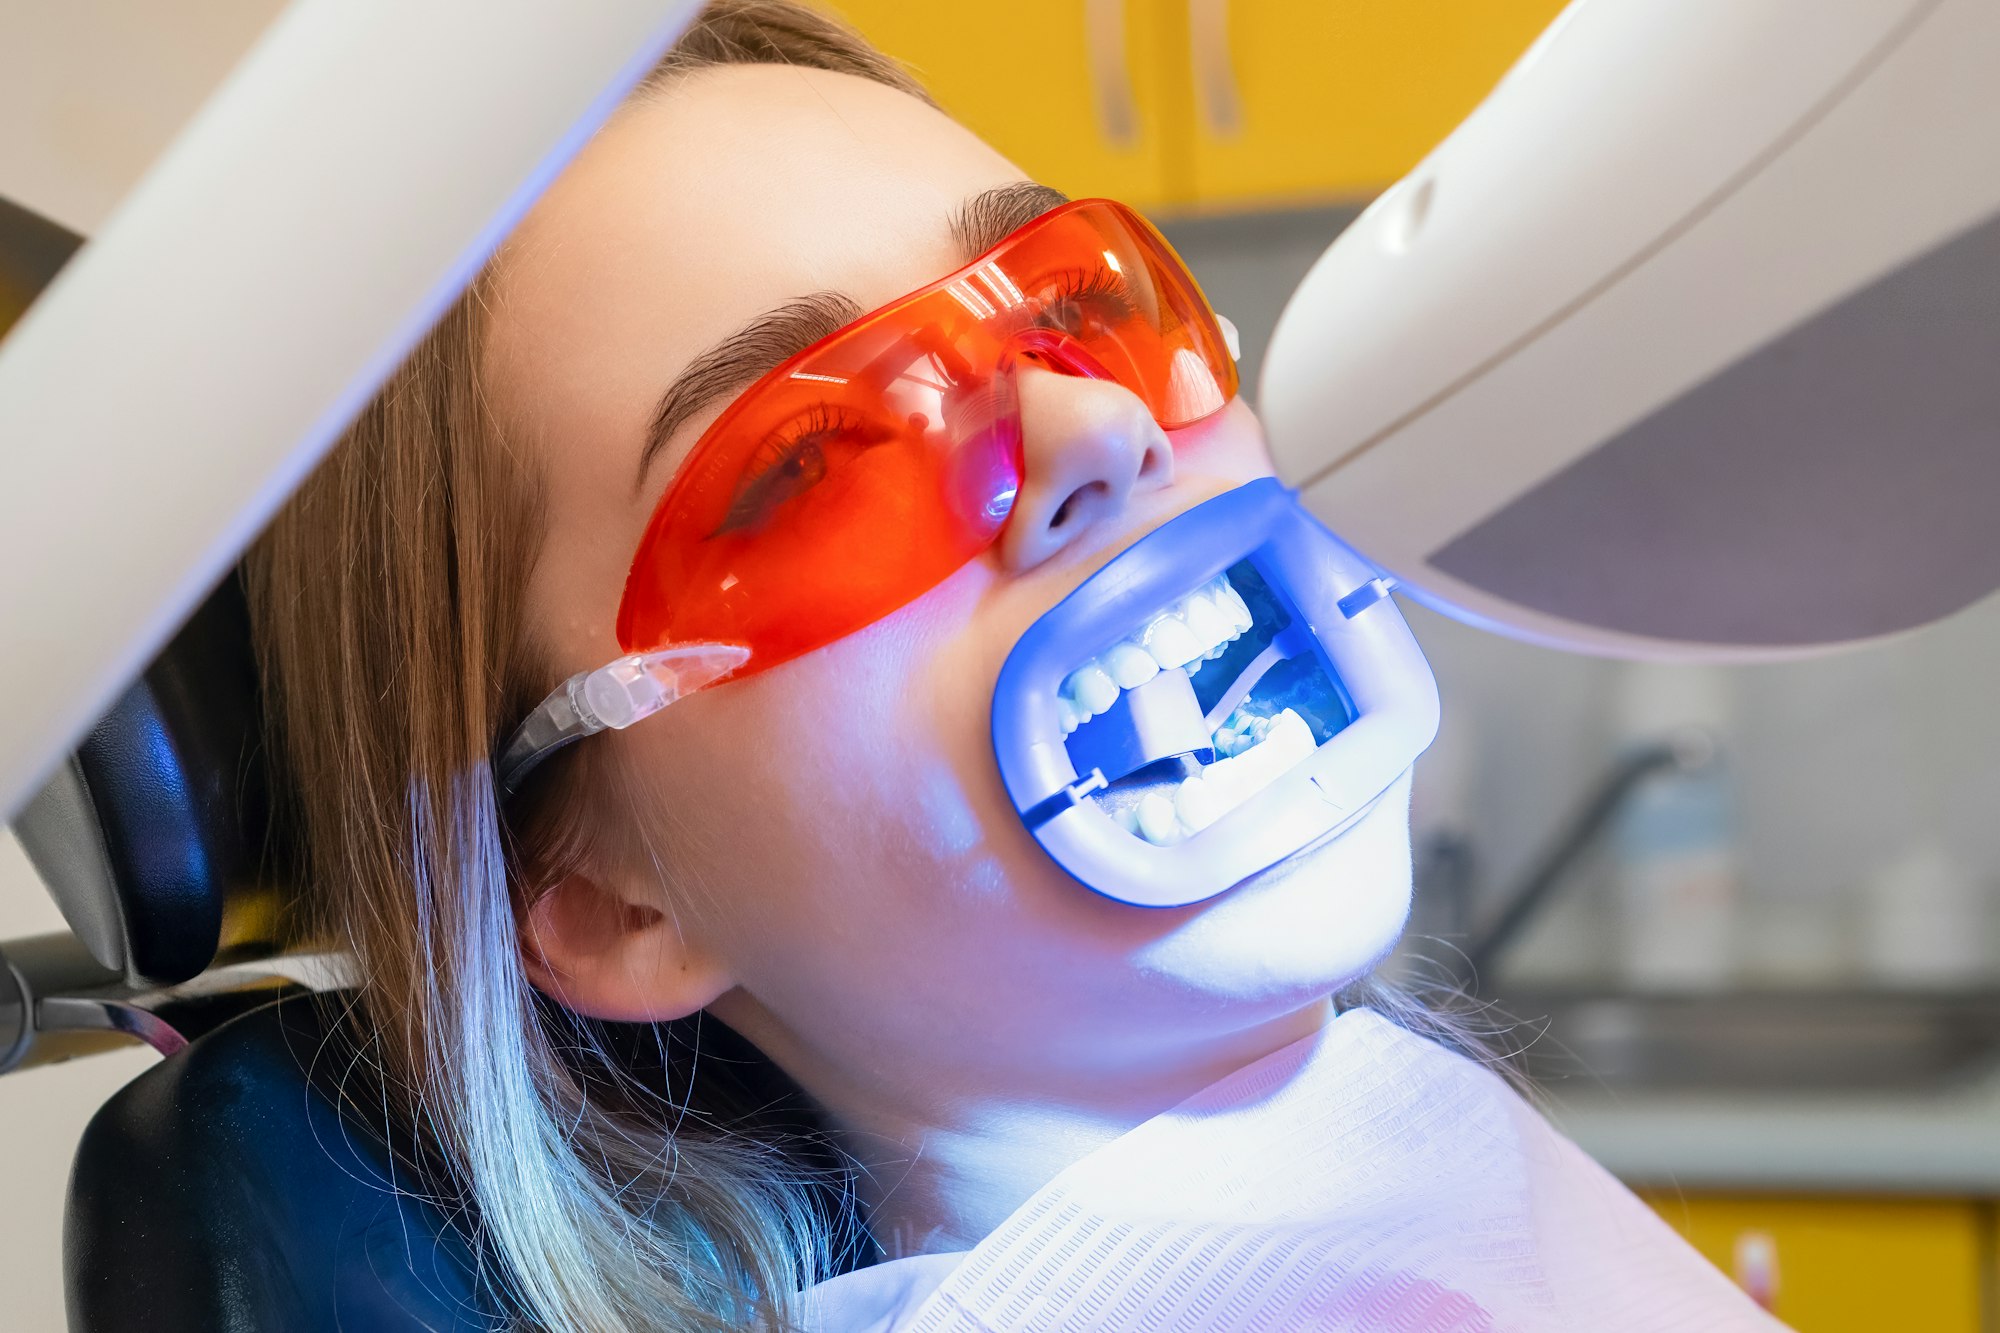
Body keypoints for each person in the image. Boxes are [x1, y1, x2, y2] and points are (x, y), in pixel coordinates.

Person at [246, 4, 1785, 1330]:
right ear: (605, 898)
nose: (1096, 427)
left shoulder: (1371, 1167)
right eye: (806, 461)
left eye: (1080, 305)